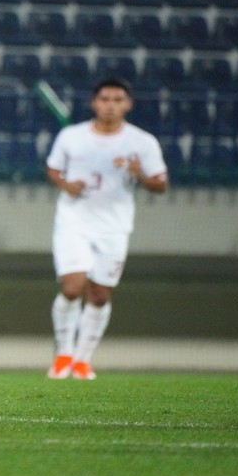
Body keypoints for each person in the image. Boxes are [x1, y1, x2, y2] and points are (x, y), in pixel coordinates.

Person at [44, 78, 168, 381]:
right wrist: (65, 183)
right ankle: (63, 354)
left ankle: (83, 360)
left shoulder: (142, 142)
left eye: (117, 99)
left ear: (128, 104)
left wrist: (139, 174)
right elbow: (52, 168)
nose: (110, 105)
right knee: (72, 287)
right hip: (74, 222)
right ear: (94, 103)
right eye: (104, 99)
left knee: (99, 295)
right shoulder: (71, 136)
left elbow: (160, 184)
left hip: (114, 227)